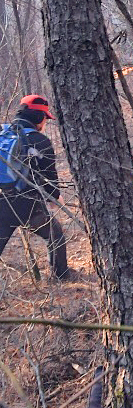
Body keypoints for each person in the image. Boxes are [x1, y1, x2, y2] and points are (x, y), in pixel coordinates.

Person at [0, 94, 69, 280]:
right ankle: (61, 277)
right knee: (55, 235)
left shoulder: (3, 133)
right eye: (45, 117)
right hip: (27, 205)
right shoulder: (41, 141)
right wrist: (56, 197)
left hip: (1, 203)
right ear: (38, 117)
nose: (45, 122)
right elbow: (50, 180)